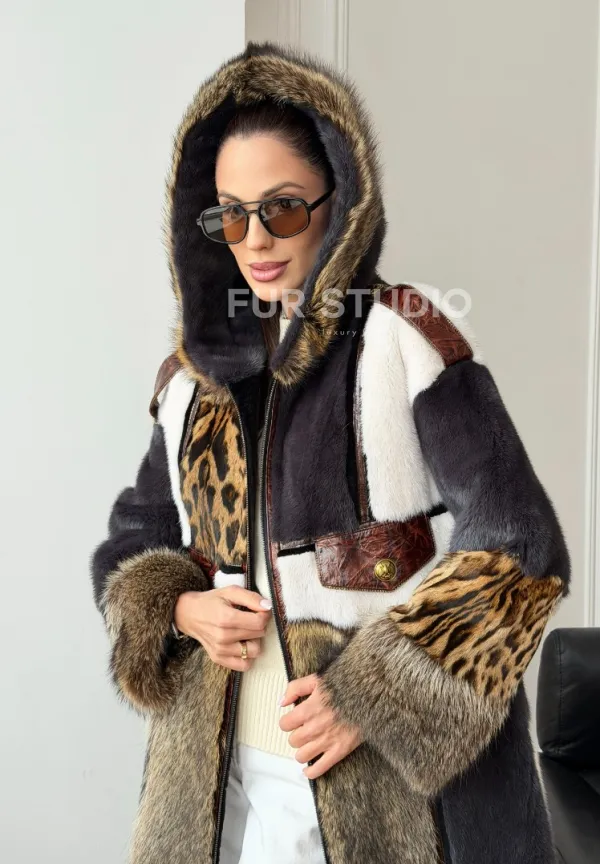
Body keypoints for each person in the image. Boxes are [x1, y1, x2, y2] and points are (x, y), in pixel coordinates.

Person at [91, 41, 570, 864]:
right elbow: (134, 541)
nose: (254, 239)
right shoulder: (188, 382)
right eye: (229, 215)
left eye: (281, 208)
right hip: (214, 787)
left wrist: (376, 697)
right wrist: (179, 609)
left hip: (387, 790)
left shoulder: (404, 337)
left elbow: (522, 546)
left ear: (338, 200)